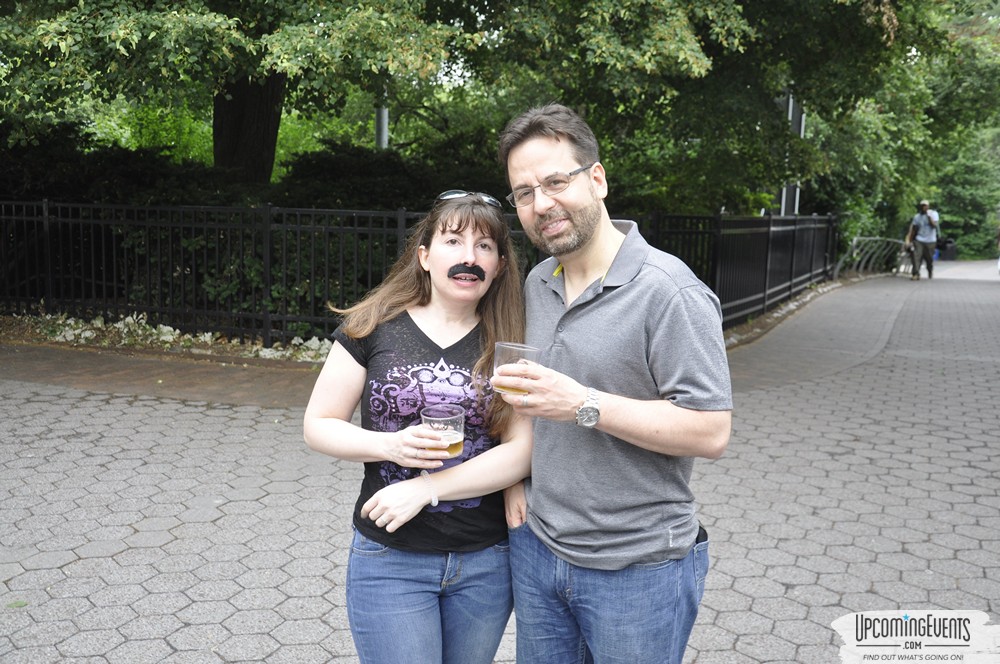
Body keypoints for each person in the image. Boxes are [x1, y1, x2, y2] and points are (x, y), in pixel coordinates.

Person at [491, 103, 733, 664]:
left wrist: (583, 403)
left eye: (555, 181)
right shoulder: (538, 281)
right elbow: (524, 399)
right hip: (539, 547)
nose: (541, 204)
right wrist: (511, 479)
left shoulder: (669, 291)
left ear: (596, 178)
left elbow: (710, 431)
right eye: (523, 193)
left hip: (638, 569)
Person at [303, 190, 532, 664]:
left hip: (486, 561)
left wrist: (426, 489)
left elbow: (521, 450)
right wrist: (391, 445)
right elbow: (319, 425)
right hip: (392, 558)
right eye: (453, 242)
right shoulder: (371, 326)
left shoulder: (512, 342)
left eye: (485, 247)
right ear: (424, 256)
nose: (469, 258)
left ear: (500, 266)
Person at [905, 199, 939, 280]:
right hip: (919, 240)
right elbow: (912, 229)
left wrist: (929, 216)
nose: (924, 207)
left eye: (926, 205)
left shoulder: (934, 214)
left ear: (928, 206)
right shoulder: (917, 217)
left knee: (929, 259)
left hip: (930, 240)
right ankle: (916, 274)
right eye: (923, 206)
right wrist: (908, 240)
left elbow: (934, 226)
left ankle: (930, 271)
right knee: (916, 256)